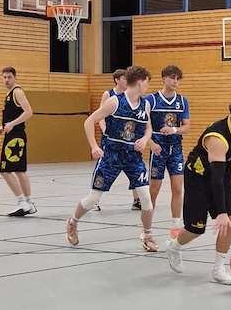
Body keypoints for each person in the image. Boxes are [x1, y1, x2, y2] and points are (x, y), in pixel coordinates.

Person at [165, 96, 231, 285]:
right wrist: (221, 213)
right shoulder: (217, 137)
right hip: (198, 177)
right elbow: (215, 178)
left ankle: (218, 270)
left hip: (221, 174)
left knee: (230, 221)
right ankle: (174, 246)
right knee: (195, 229)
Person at [65, 65, 159, 252]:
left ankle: (147, 235)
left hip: (133, 157)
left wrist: (144, 139)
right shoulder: (115, 102)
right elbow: (89, 121)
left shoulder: (146, 104)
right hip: (111, 155)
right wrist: (94, 146)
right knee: (93, 198)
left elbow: (148, 128)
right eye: (147, 82)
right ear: (140, 82)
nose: (148, 86)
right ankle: (73, 222)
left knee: (146, 199)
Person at [146, 65, 190, 239]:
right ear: (164, 78)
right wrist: (150, 143)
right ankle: (146, 227)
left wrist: (174, 130)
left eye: (178, 79)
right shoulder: (151, 100)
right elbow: (143, 126)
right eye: (172, 78)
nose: (175, 81)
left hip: (176, 149)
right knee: (153, 190)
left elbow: (187, 127)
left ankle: (176, 226)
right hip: (158, 149)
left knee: (178, 187)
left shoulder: (182, 101)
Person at [92, 68, 143, 212]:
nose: (127, 81)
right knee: (103, 168)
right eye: (124, 78)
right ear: (117, 80)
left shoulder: (132, 97)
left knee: (134, 168)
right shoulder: (109, 95)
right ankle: (94, 199)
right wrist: (104, 129)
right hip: (111, 138)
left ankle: (137, 200)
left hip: (127, 139)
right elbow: (100, 115)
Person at [0, 67, 36, 217]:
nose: (6, 80)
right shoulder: (9, 94)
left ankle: (23, 202)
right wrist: (2, 128)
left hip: (15, 137)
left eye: (9, 77)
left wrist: (12, 124)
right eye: (4, 77)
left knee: (5, 170)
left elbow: (29, 112)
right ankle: (29, 203)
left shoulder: (17, 92)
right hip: (13, 134)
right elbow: (12, 116)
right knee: (19, 170)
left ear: (15, 77)